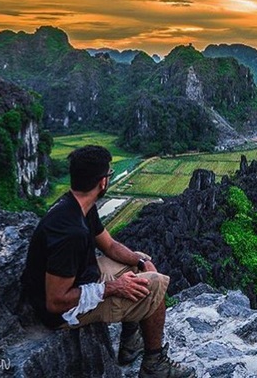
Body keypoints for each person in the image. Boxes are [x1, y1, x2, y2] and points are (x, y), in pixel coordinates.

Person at [22, 145, 195, 378]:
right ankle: (154, 364)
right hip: (62, 313)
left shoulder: (79, 205)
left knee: (136, 267)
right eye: (109, 175)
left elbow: (110, 246)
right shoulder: (70, 233)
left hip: (81, 279)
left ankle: (130, 343)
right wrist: (114, 287)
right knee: (153, 285)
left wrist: (141, 260)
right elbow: (56, 301)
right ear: (102, 182)